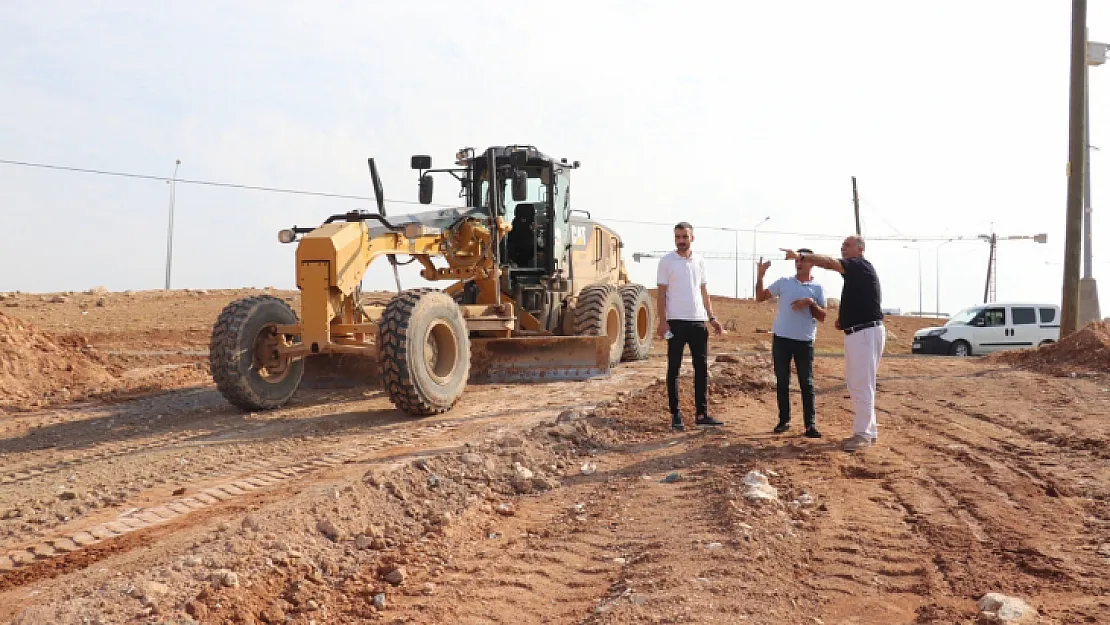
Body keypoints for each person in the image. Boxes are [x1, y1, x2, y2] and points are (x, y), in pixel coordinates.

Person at [781, 236, 884, 452]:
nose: (842, 248)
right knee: (858, 383)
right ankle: (868, 431)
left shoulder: (858, 265)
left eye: (847, 245)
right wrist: (845, 320)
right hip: (859, 331)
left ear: (860, 249)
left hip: (865, 332)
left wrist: (802, 256)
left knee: (861, 384)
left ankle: (863, 434)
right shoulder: (857, 271)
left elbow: (829, 262)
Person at [655, 222, 725, 431]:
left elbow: (703, 291)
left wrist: (712, 318)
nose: (681, 241)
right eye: (677, 237)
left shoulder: (700, 261)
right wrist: (662, 321)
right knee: (673, 368)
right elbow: (660, 294)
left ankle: (701, 414)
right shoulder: (666, 262)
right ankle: (676, 415)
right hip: (675, 323)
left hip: (697, 322)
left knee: (701, 369)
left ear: (692, 237)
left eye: (684, 236)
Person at [755, 248, 827, 438]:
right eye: (797, 260)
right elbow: (760, 297)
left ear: (813, 263)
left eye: (803, 260)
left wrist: (810, 302)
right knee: (782, 381)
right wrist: (760, 275)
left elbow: (823, 317)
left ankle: (810, 425)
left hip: (804, 342)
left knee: (807, 383)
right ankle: (783, 421)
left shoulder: (818, 288)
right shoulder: (784, 282)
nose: (799, 263)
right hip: (782, 339)